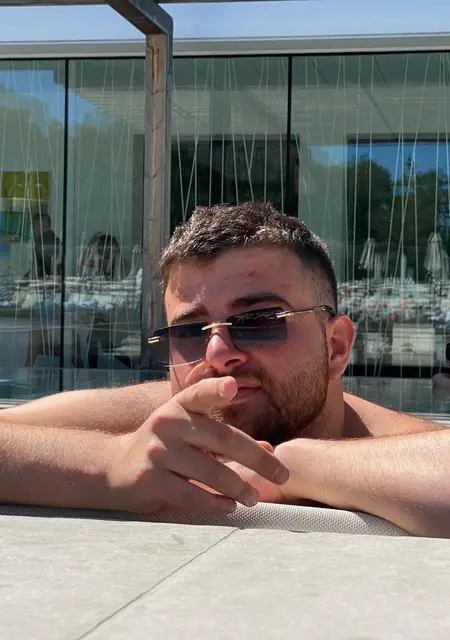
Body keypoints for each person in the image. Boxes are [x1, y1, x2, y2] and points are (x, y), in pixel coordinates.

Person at [1, 203, 450, 538]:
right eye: (189, 332)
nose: (217, 353)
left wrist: (289, 463)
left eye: (259, 321)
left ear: (335, 347)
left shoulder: (395, 443)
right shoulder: (165, 420)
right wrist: (109, 465)